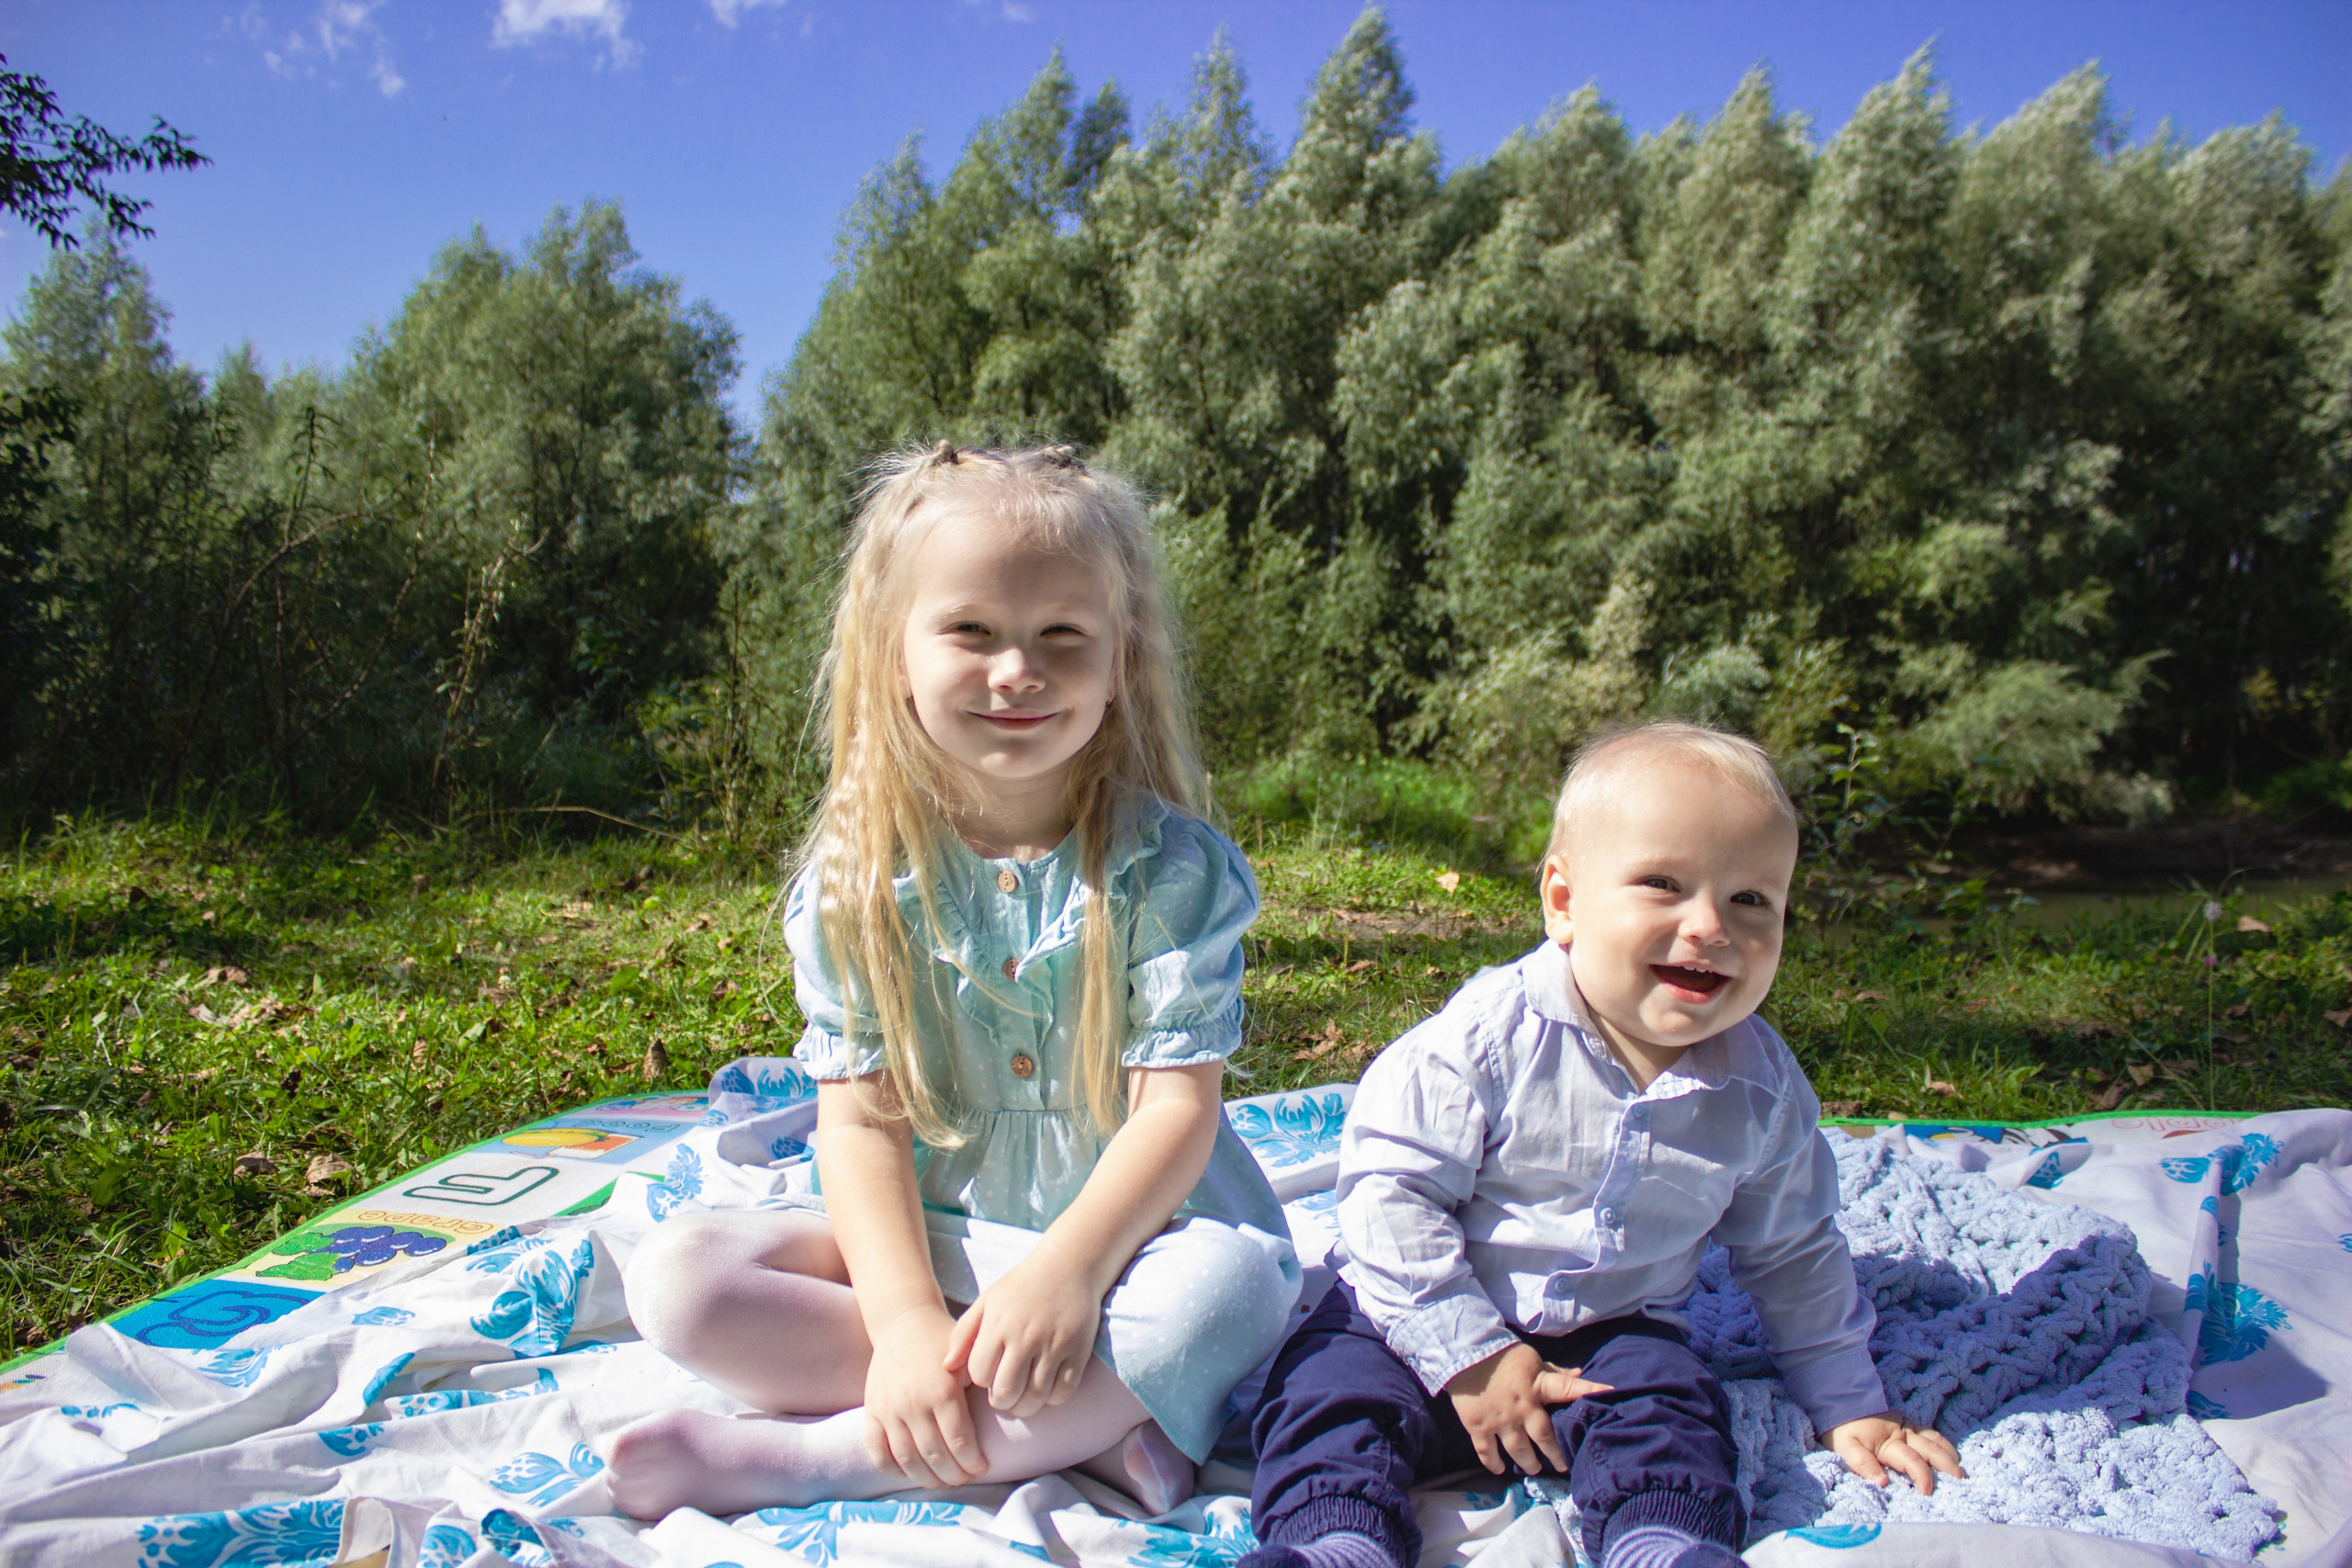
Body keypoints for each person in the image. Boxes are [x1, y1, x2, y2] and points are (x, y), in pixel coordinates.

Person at [607, 442, 1300, 1520]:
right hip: (944, 1238)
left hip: (1133, 1247)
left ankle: (822, 1460)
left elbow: (1179, 1112)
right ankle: (1082, 1428)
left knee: (1233, 1296)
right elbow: (863, 1128)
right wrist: (904, 1331)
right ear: (894, 654)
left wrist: (1069, 1276)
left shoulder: (1168, 871)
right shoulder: (856, 884)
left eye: (1061, 636)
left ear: (1119, 660)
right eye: (971, 632)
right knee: (679, 1279)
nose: (1016, 671)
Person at [1243, 722, 1962, 1568]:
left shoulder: (1762, 1089)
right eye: (1664, 883)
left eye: (1751, 899)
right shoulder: (1486, 1039)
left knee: (1672, 1407)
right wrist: (1470, 1354)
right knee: (1326, 1391)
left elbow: (1795, 1249)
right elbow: (1387, 1198)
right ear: (1563, 902)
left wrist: (1851, 1404)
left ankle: (1663, 1539)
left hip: (1611, 1331)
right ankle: (1335, 1541)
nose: (1710, 926)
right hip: (1414, 1311)